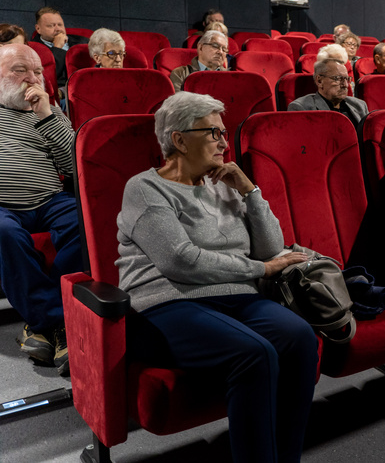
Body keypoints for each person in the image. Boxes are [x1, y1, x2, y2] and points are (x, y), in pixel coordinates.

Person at [117, 91, 317, 463]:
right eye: (213, 133)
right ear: (179, 139)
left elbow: (270, 247)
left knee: (300, 337)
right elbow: (181, 261)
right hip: (169, 303)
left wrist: (250, 191)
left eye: (224, 133)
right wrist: (261, 270)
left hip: (236, 296)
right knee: (254, 353)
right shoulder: (144, 188)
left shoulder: (223, 184)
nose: (225, 142)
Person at [0, 44, 83, 376]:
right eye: (21, 69)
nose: (32, 79)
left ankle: (41, 325)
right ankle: (57, 322)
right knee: (3, 232)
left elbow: (76, 166)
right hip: (3, 205)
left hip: (50, 199)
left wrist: (48, 115)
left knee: (85, 221)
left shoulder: (50, 112)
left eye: (37, 71)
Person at [288, 58, 368, 127]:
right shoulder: (301, 108)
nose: (345, 85)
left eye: (347, 79)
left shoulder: (360, 105)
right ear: (319, 81)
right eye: (337, 79)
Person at [33, 6, 89, 87]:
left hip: (84, 86)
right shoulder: (33, 49)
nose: (58, 29)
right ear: (38, 29)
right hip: (57, 92)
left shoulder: (84, 42)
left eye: (60, 24)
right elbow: (48, 77)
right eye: (51, 26)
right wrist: (58, 47)